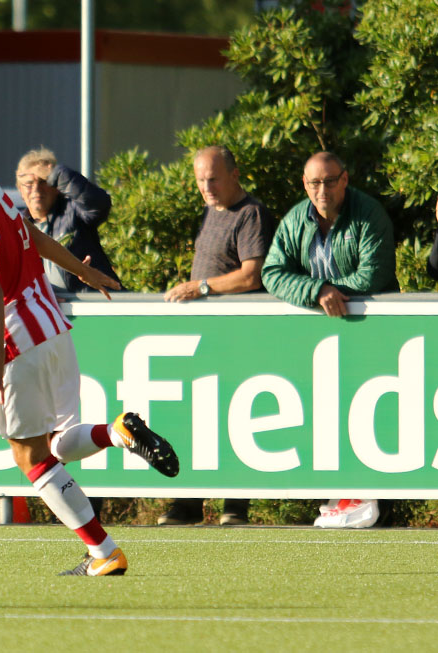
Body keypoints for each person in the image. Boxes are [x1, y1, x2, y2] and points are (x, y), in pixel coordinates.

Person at [0, 113, 179, 575]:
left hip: (17, 335)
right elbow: (29, 234)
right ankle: (119, 432)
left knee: (29, 457)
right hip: (51, 324)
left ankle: (104, 553)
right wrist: (84, 270)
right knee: (57, 446)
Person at [262, 151, 397, 529]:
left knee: (374, 418)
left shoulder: (369, 215)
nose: (322, 190)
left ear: (345, 179)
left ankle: (379, 502)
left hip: (372, 333)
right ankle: (342, 496)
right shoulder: (295, 220)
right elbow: (272, 272)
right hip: (319, 341)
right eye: (314, 183)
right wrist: (316, 290)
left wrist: (329, 291)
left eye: (329, 181)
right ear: (304, 184)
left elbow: (373, 275)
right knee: (329, 418)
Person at [159, 145, 276, 526]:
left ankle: (234, 506)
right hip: (201, 335)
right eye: (200, 180)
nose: (206, 187)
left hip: (237, 335)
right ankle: (187, 503)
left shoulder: (251, 213)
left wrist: (200, 288)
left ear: (234, 175)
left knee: (235, 417)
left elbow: (250, 275)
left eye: (213, 179)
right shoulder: (213, 210)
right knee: (194, 416)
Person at [15, 147, 122, 293]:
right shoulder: (16, 225)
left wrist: (57, 174)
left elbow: (99, 204)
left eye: (43, 181)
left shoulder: (73, 212)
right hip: (47, 309)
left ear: (56, 187)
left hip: (93, 304)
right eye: (29, 184)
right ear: (20, 190)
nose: (36, 189)